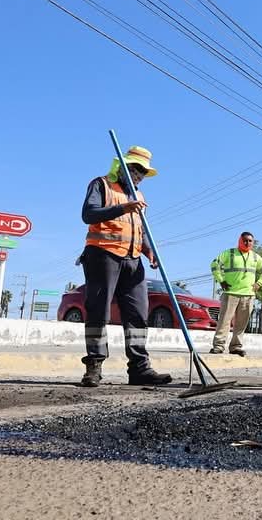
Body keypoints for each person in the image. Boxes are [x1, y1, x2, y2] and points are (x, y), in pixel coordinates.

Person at [78, 146, 172, 388]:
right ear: (122, 166)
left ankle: (140, 369)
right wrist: (123, 208)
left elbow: (140, 229)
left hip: (133, 260)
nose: (139, 175)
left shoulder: (138, 196)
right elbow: (88, 214)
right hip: (103, 256)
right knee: (99, 311)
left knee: (138, 314)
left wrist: (148, 249)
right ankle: (94, 366)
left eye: (143, 172)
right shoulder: (101, 184)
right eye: (136, 169)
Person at [208, 232, 262, 356]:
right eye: (245, 240)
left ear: (253, 243)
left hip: (248, 295)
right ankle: (218, 346)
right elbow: (214, 264)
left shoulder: (256, 257)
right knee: (224, 321)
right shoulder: (229, 253)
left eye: (250, 241)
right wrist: (221, 280)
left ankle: (236, 347)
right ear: (240, 240)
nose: (247, 243)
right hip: (230, 293)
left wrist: (259, 283)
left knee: (241, 323)